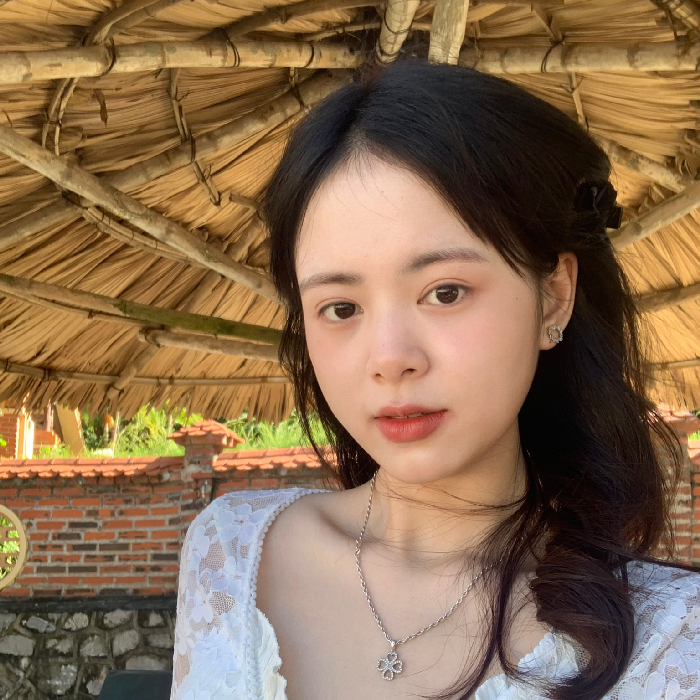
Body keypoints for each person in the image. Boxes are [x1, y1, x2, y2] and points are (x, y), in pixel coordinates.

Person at [169, 60, 700, 700]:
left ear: (554, 296)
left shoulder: (670, 640)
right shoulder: (231, 554)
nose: (390, 358)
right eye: (341, 307)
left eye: (445, 292)